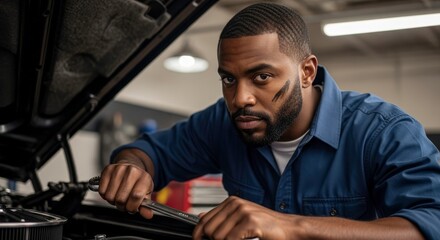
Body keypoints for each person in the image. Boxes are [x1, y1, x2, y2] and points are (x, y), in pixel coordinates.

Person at [98, 3, 440, 239]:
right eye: (229, 79)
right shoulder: (223, 122)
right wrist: (132, 167)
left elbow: (432, 222)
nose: (240, 98)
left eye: (261, 77)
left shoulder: (382, 130)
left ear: (306, 72)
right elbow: (147, 153)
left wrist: (293, 228)